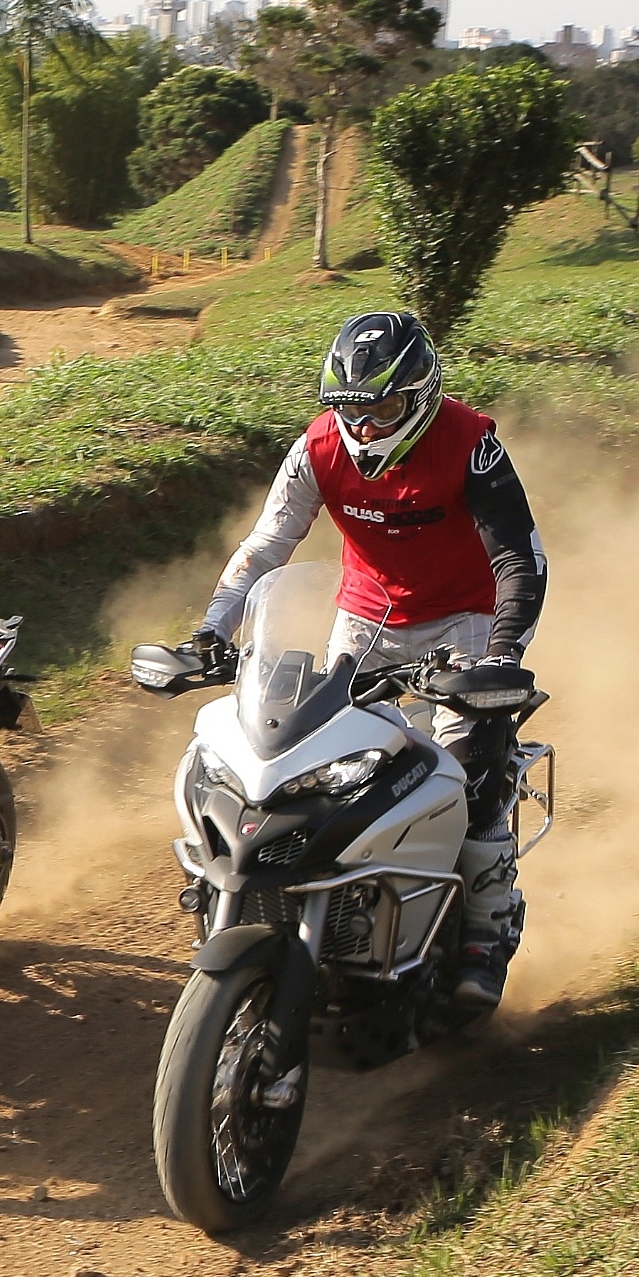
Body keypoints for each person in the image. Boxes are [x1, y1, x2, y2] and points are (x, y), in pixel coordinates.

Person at [192, 309, 547, 1011]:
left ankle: (486, 925)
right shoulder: (316, 448)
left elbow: (517, 557)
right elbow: (266, 546)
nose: (364, 427)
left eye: (382, 408)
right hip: (364, 618)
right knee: (314, 765)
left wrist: (501, 656)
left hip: (466, 621)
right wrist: (210, 628)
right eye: (350, 410)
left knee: (469, 769)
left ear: (418, 396)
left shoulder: (468, 445)